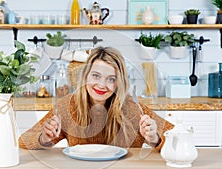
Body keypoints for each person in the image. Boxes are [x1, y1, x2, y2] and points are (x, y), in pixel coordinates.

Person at [19, 46, 174, 150]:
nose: (101, 85)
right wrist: (44, 137)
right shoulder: (68, 106)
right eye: (96, 76)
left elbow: (176, 138)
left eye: (111, 79)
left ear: (118, 83)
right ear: (85, 76)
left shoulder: (132, 108)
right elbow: (24, 141)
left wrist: (155, 139)